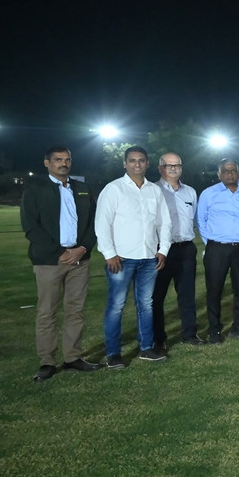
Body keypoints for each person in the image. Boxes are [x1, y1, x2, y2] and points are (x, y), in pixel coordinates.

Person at [20, 145, 101, 381]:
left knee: (75, 311)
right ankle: (47, 361)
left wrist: (83, 248)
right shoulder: (35, 189)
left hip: (80, 259)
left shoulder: (82, 189)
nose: (63, 163)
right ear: (47, 163)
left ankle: (72, 357)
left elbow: (93, 223)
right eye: (58, 159)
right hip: (49, 261)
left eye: (67, 159)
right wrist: (59, 252)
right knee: (47, 312)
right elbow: (31, 227)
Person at [95, 146, 172, 367]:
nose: (137, 164)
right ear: (125, 163)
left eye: (141, 160)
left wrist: (163, 250)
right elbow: (102, 224)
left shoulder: (154, 190)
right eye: (132, 160)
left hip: (149, 258)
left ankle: (146, 348)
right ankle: (113, 353)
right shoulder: (114, 189)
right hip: (121, 259)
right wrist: (109, 254)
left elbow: (164, 223)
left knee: (146, 304)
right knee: (116, 305)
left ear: (147, 163)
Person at [197, 159, 239, 342]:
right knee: (214, 289)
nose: (230, 173)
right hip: (217, 248)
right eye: (225, 170)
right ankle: (214, 330)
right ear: (219, 174)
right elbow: (201, 220)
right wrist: (211, 242)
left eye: (233, 170)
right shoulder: (209, 193)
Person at [152, 151, 201, 349]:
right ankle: (158, 338)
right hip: (160, 250)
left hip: (186, 249)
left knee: (187, 295)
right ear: (160, 168)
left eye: (177, 165)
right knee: (157, 297)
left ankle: (189, 334)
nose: (173, 169)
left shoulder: (190, 192)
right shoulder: (152, 191)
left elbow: (195, 218)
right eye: (169, 165)